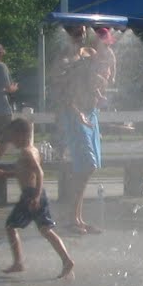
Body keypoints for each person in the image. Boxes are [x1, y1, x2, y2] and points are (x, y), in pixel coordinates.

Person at [0, 116, 75, 279]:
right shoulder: (32, 150)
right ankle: (66, 260)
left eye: (12, 137)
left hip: (31, 195)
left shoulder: (27, 152)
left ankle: (19, 262)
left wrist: (35, 196)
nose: (11, 141)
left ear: (21, 135)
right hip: (35, 194)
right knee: (45, 229)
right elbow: (25, 172)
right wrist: (5, 174)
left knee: (11, 226)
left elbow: (39, 172)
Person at [52, 23, 104, 234]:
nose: (80, 37)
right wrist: (76, 111)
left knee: (87, 167)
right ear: (67, 35)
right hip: (73, 114)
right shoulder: (63, 61)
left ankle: (77, 218)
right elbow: (62, 92)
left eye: (83, 32)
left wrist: (98, 86)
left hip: (90, 112)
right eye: (75, 33)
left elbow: (94, 80)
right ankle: (70, 218)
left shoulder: (89, 53)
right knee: (85, 165)